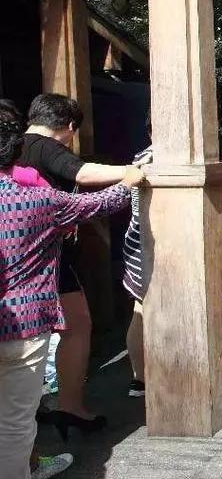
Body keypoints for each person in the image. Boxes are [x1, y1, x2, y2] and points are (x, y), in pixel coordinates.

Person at [0, 114, 141, 479]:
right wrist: (130, 180)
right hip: (23, 326)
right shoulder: (38, 200)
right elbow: (99, 204)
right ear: (15, 153)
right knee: (16, 422)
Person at [17, 93, 133, 433]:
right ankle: (68, 407)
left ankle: (39, 409)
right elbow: (82, 173)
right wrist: (131, 172)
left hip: (20, 252)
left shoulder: (15, 145)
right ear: (69, 126)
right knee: (75, 326)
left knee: (36, 333)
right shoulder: (47, 147)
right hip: (48, 254)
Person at [122, 131, 154, 398]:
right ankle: (142, 377)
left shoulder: (142, 156)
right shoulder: (149, 159)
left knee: (141, 307)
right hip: (147, 241)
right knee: (143, 308)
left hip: (142, 239)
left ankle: (140, 378)